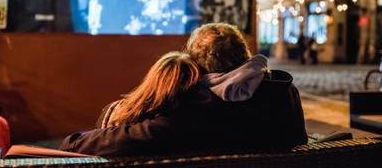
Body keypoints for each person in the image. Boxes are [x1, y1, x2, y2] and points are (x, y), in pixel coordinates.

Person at [60, 23, 307, 156]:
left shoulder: (198, 108)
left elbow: (130, 139)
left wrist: (74, 141)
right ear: (246, 55)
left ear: (196, 67)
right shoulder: (284, 94)